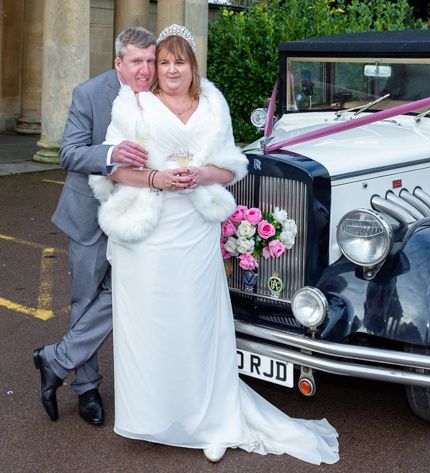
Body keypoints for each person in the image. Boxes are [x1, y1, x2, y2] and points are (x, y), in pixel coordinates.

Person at [89, 24, 339, 465]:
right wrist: (156, 178)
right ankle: (154, 417)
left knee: (197, 323)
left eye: (178, 61)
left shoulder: (212, 103)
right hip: (147, 234)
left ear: (192, 66)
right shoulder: (134, 106)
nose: (169, 70)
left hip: (194, 229)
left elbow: (231, 165)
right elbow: (110, 170)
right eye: (161, 62)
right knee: (150, 328)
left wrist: (203, 175)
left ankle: (211, 420)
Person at [33, 26, 194, 426]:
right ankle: (87, 389)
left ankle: (56, 359)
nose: (145, 70)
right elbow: (68, 152)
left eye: (149, 60)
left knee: (129, 292)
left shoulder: (163, 94)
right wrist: (109, 153)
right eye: (136, 61)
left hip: (142, 217)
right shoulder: (89, 94)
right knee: (85, 301)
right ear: (118, 62)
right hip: (90, 216)